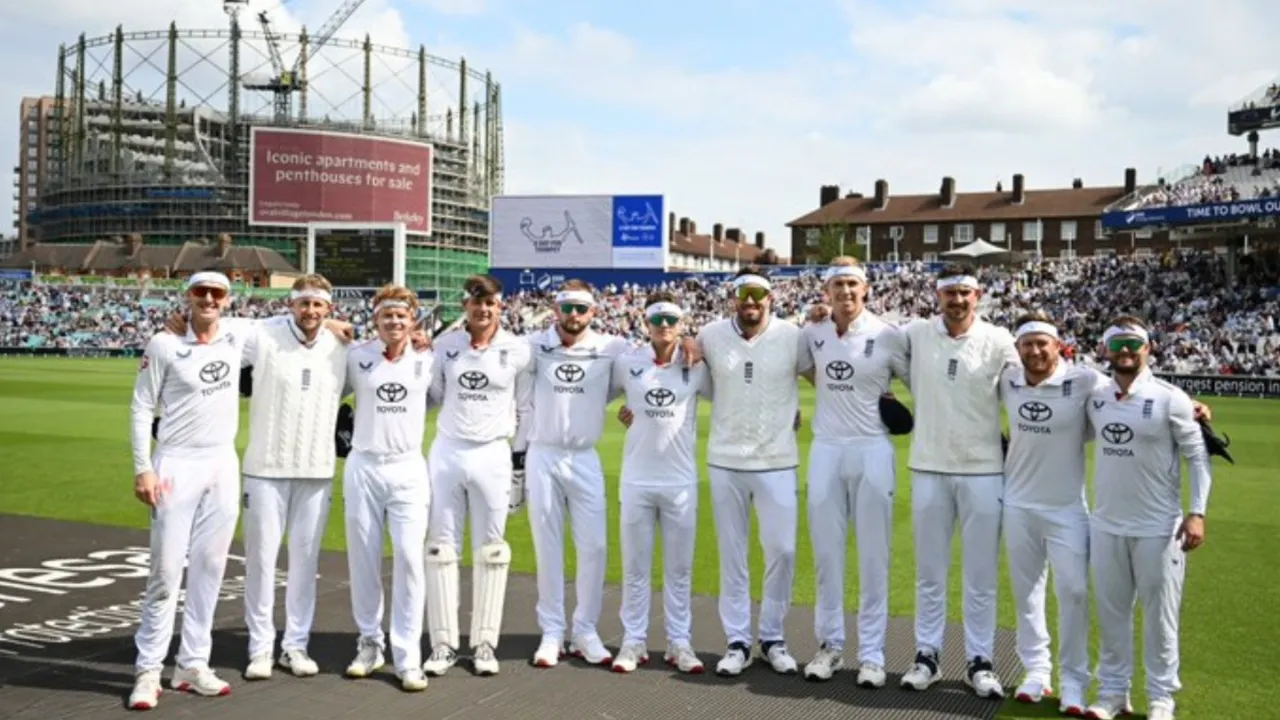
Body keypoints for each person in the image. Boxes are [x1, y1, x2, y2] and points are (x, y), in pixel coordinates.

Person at [891, 265, 1018, 699]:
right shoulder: (914, 333)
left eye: (965, 293)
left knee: (980, 575)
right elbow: (861, 343)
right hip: (929, 467)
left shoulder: (1000, 340)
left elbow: (1041, 379)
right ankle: (927, 654)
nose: (957, 301)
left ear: (977, 296)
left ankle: (979, 660)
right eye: (950, 293)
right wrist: (820, 315)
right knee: (931, 573)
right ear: (937, 295)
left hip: (984, 471)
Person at [127, 271, 247, 710]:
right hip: (176, 460)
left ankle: (192, 663)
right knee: (165, 571)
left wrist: (330, 323)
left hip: (222, 461)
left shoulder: (238, 336)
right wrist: (144, 468)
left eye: (217, 293)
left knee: (211, 566)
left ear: (228, 299)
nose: (209, 299)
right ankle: (148, 671)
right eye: (201, 292)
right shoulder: (164, 343)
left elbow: (294, 323)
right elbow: (142, 407)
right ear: (189, 297)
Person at [1084, 317, 1214, 720]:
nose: (1125, 351)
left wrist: (1197, 513)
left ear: (1148, 349)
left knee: (1160, 617)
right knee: (1112, 614)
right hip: (1106, 525)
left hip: (1159, 529)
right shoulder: (1096, 396)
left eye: (1133, 343)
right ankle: (1112, 693)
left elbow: (1199, 457)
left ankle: (1161, 698)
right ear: (1105, 349)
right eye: (1116, 342)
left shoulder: (1170, 398)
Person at [796, 258, 906, 688]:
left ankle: (873, 655)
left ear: (866, 289)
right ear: (826, 292)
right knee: (827, 554)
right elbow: (810, 372)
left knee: (874, 555)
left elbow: (920, 381)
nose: (845, 291)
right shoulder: (813, 332)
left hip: (872, 449)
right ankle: (829, 646)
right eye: (837, 284)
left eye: (852, 284)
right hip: (827, 448)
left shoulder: (888, 335)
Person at [238, 275, 352, 680]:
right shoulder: (262, 334)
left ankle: (295, 646)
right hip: (264, 470)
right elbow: (216, 331)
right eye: (304, 304)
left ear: (329, 308)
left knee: (305, 562)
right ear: (292, 304)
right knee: (261, 561)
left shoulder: (342, 347)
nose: (311, 312)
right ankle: (260, 648)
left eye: (319, 306)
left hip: (317, 471)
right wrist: (181, 321)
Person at [422, 275, 533, 678]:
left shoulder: (518, 349)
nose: (482, 310)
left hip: (493, 454)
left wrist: (519, 463)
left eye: (490, 304)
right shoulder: (444, 346)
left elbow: (526, 408)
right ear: (465, 306)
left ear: (499, 307)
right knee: (440, 549)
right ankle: (442, 644)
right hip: (448, 451)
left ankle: (484, 643)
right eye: (475, 304)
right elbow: (429, 397)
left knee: (492, 550)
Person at [519, 280, 634, 668]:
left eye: (581, 309)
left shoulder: (612, 348)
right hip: (543, 454)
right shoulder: (533, 344)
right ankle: (552, 631)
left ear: (594, 312)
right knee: (547, 546)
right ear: (556, 310)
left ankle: (585, 629)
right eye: (567, 308)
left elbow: (647, 364)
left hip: (585, 455)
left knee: (595, 547)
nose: (573, 316)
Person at [695, 265, 803, 677]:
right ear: (733, 298)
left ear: (770, 298)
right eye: (744, 295)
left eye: (759, 294)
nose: (752, 302)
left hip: (776, 461)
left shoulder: (794, 337)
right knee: (733, 554)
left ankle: (773, 636)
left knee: (783, 550)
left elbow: (823, 374)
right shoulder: (709, 335)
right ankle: (737, 640)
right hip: (725, 460)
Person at [999, 311, 1104, 714]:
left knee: (1074, 592)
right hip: (1019, 505)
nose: (1035, 350)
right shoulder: (1008, 378)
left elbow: (1133, 390)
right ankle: (1037, 673)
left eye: (1042, 342)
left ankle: (1074, 682)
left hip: (1066, 509)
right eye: (1027, 344)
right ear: (1019, 349)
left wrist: (1190, 404)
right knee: (1027, 595)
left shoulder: (1084, 380)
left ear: (1058, 345)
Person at [339, 285, 436, 692]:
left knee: (410, 561)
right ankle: (369, 644)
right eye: (386, 316)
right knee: (363, 559)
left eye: (402, 315)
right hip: (363, 465)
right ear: (375, 320)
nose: (394, 322)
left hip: (408, 468)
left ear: (412, 319)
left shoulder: (428, 359)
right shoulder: (356, 357)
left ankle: (408, 656)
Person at [608, 291, 709, 675]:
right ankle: (633, 640)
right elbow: (609, 396)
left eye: (671, 320)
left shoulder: (697, 364)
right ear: (646, 323)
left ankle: (679, 642)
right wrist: (624, 411)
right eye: (657, 319)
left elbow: (735, 396)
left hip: (681, 482)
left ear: (681, 324)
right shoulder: (628, 362)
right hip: (636, 480)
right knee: (635, 567)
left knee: (679, 569)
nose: (664, 326)